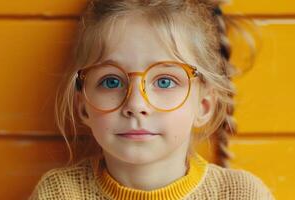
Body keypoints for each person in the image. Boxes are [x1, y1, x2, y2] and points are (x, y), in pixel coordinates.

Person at [29, 0, 274, 199]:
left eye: (165, 81)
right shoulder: (60, 194)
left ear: (204, 105)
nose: (136, 105)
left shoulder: (241, 194)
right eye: (111, 81)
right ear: (82, 106)